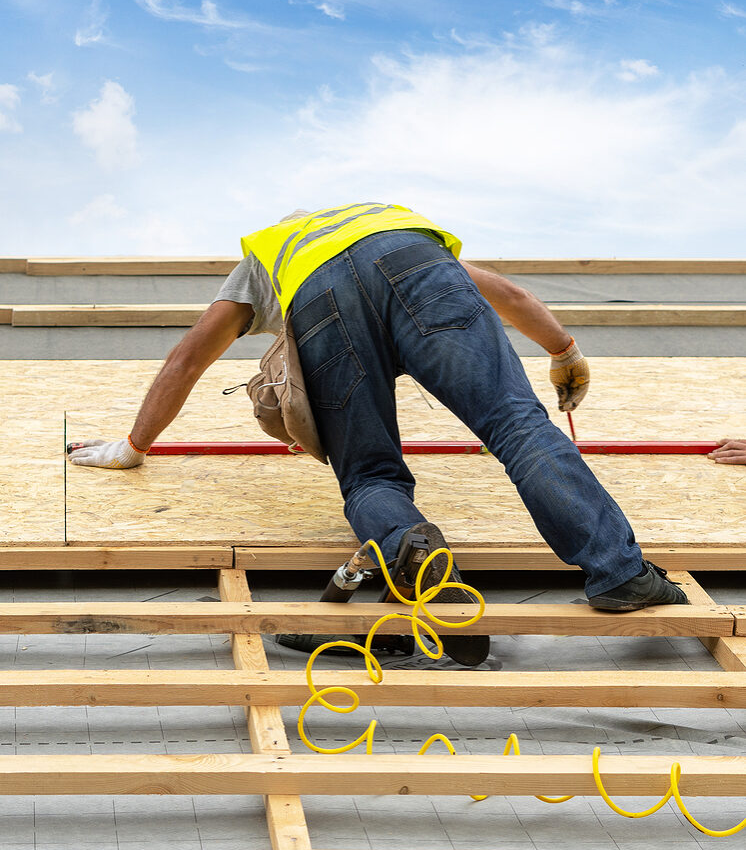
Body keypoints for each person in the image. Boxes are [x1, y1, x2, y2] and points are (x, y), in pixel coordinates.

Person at [68, 202, 688, 665]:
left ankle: (420, 564)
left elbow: (188, 358)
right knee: (518, 426)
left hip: (320, 301)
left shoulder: (271, 256)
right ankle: (619, 575)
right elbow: (509, 293)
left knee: (369, 473)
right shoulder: (384, 222)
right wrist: (563, 349)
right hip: (420, 269)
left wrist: (134, 446)